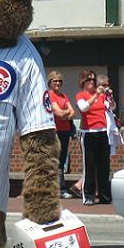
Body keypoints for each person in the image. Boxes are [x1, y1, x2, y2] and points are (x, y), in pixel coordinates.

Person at [75, 69, 113, 205]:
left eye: (93, 80)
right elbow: (83, 108)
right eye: (89, 80)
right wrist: (96, 95)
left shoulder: (101, 96)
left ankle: (105, 196)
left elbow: (111, 107)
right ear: (83, 82)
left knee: (104, 166)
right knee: (89, 166)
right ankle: (88, 196)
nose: (92, 82)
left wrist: (109, 96)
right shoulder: (81, 95)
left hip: (103, 132)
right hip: (89, 133)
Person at [48, 70, 75, 199]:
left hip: (65, 131)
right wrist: (65, 113)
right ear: (50, 83)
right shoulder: (50, 95)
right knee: (54, 160)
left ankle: (61, 189)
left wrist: (65, 114)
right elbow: (58, 113)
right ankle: (55, 189)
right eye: (55, 81)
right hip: (55, 132)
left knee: (62, 160)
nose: (57, 83)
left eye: (59, 81)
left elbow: (73, 112)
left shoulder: (63, 96)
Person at [97, 74, 122, 155]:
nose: (106, 87)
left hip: (109, 127)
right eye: (104, 85)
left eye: (108, 85)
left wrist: (110, 97)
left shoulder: (107, 96)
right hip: (98, 128)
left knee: (107, 153)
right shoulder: (95, 96)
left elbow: (113, 107)